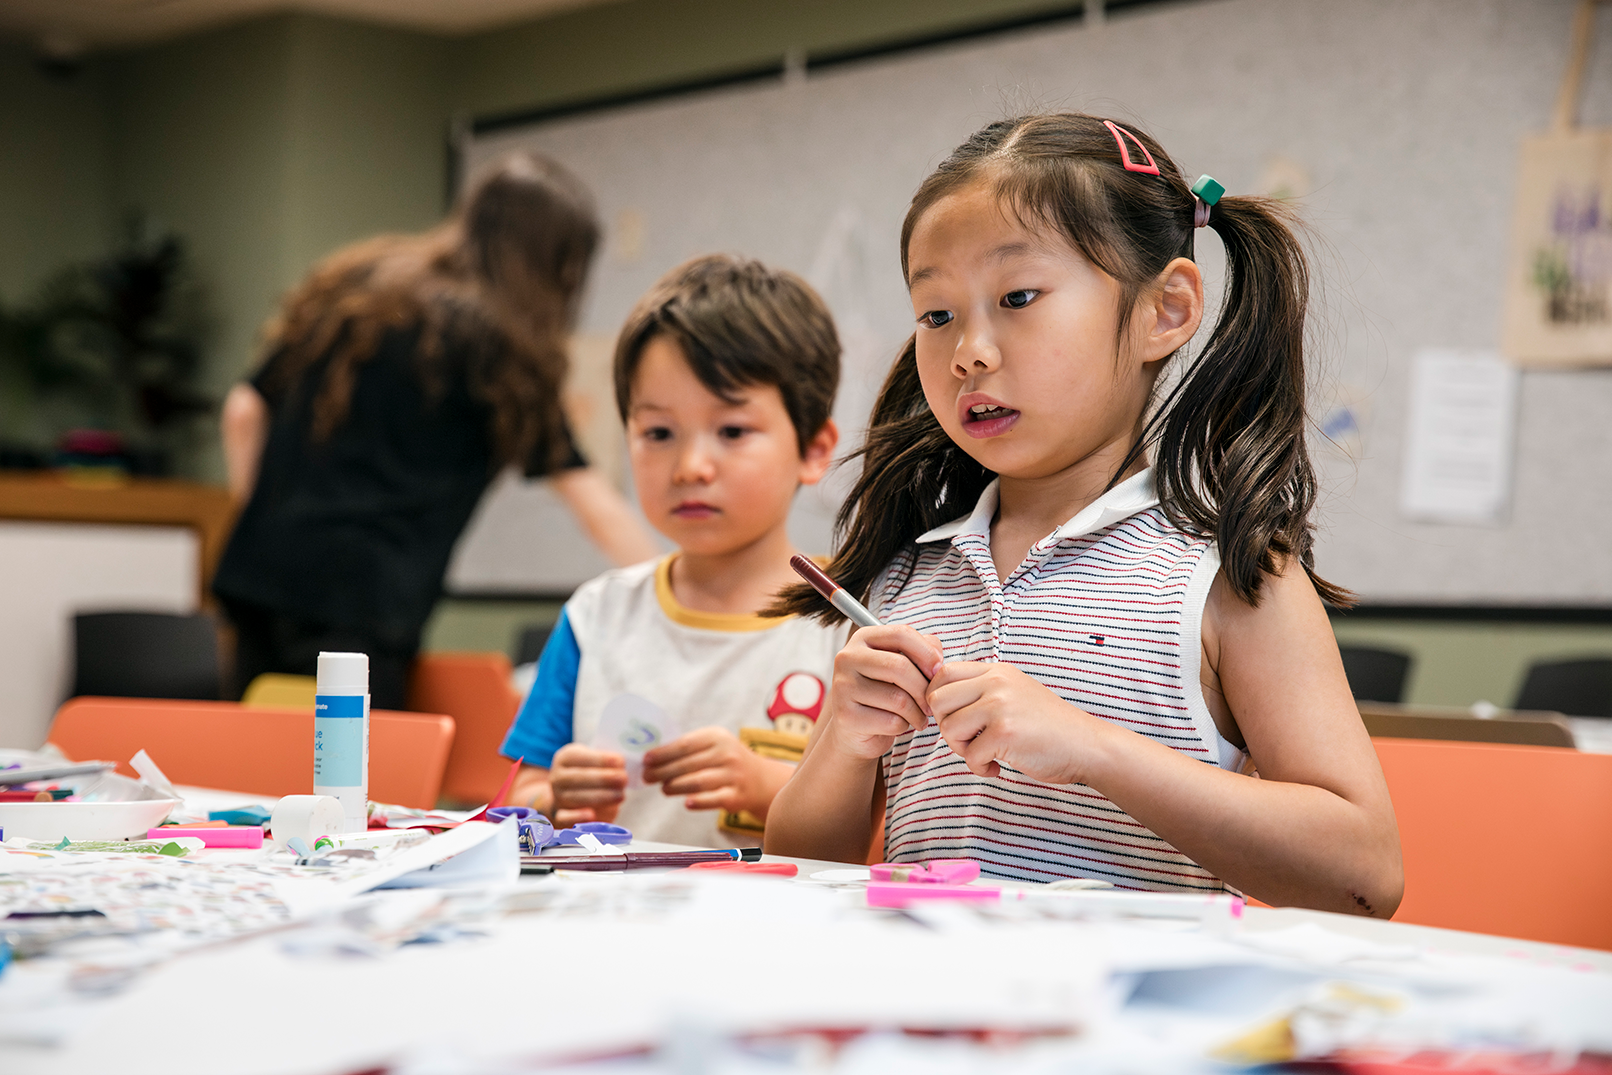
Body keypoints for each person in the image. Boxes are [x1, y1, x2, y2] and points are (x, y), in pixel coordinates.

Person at [764, 113, 1403, 916]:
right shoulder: (905, 575)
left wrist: (1093, 748)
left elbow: (1365, 876)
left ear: (1164, 311)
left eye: (1018, 296)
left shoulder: (1229, 575)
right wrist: (842, 747)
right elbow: (798, 870)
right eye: (937, 315)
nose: (968, 351)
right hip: (927, 1022)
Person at [214, 154, 659, 710]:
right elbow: (592, 502)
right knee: (353, 782)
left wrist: (266, 514)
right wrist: (669, 589)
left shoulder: (362, 287)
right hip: (363, 606)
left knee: (249, 768)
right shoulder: (506, 347)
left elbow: (243, 409)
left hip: (258, 574)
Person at [501, 254, 850, 847]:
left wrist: (774, 788)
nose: (690, 467)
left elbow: (891, 829)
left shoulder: (850, 619)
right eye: (658, 433)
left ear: (815, 449)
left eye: (733, 431)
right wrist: (555, 796)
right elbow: (522, 797)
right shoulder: (597, 616)